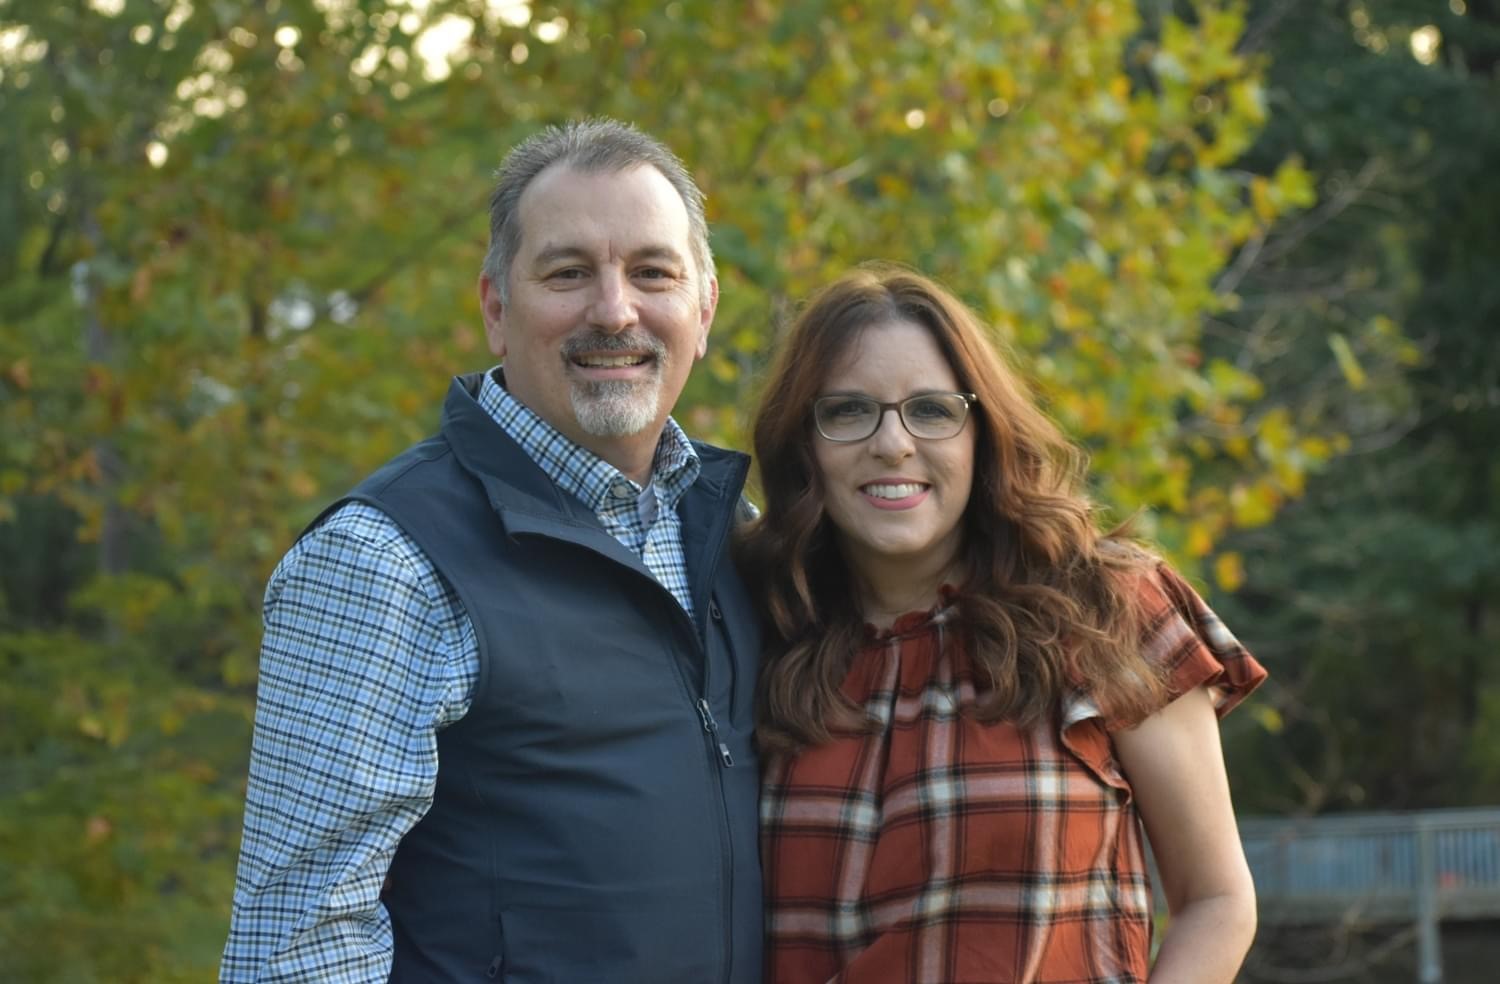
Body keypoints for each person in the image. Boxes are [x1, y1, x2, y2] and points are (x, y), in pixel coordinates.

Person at [221, 119, 763, 983]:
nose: (615, 310)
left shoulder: (730, 533)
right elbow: (298, 949)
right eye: (568, 272)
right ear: (496, 308)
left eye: (652, 272)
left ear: (703, 307)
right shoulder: (382, 561)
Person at [740, 265, 1266, 984]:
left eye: (931, 411)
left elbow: (1217, 900)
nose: (892, 444)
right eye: (848, 411)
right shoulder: (756, 628)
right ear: (805, 444)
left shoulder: (1103, 606)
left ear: (981, 433)